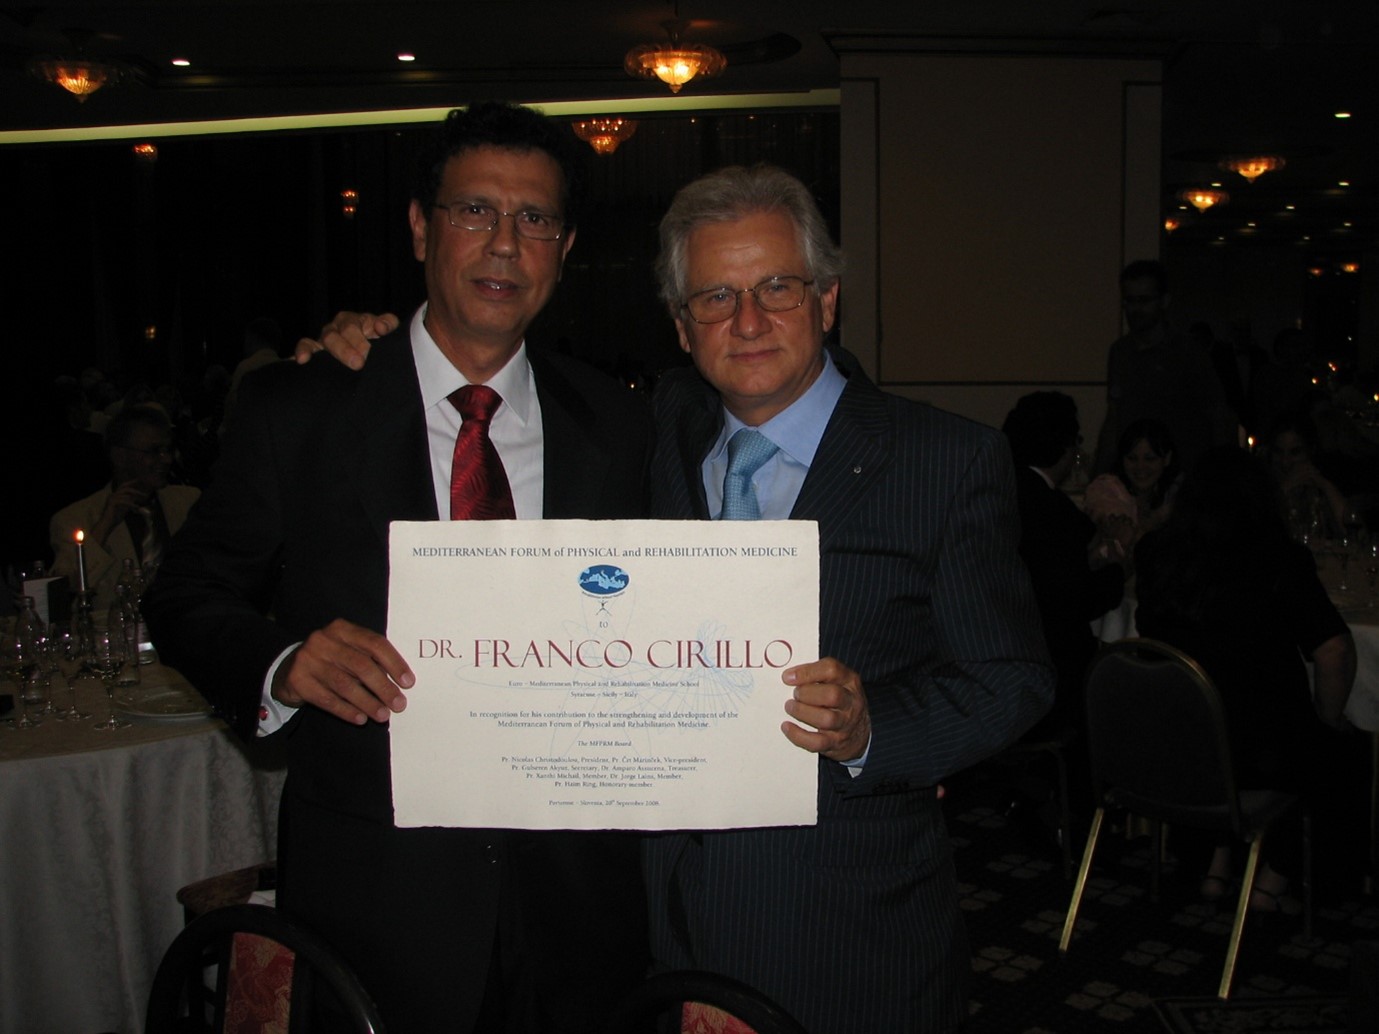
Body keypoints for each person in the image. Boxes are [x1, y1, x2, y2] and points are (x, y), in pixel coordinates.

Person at [302, 164, 1054, 1032]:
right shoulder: (646, 435)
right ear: (681, 326)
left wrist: (871, 730)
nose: (747, 321)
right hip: (644, 927)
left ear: (826, 300)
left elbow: (1011, 678)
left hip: (842, 927)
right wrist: (369, 349)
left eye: (777, 287)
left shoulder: (943, 461)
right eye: (714, 297)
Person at [144, 102, 651, 1034]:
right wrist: (283, 662)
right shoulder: (301, 406)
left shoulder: (620, 424)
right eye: (474, 211)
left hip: (579, 904)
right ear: (421, 227)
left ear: (565, 247)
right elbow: (185, 592)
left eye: (535, 219)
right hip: (377, 901)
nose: (505, 244)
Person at [1134, 446, 1356, 909]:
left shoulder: (1158, 555)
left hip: (1176, 741)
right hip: (1259, 749)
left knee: (1237, 721)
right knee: (1338, 748)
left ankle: (1216, 865)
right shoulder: (1277, 559)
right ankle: (1272, 879)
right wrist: (1327, 720)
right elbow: (1333, 649)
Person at [1002, 391, 1127, 738]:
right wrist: (1119, 568)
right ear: (1066, 448)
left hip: (1007, 663)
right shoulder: (1050, 508)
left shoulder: (1001, 491)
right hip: (1052, 672)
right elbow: (1077, 600)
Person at [1092, 259, 1234, 477]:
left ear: (1164, 301)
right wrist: (1099, 475)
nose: (1136, 309)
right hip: (1135, 474)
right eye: (1130, 301)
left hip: (1182, 473)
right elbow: (1114, 418)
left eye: (1144, 300)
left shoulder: (1188, 351)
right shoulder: (1120, 351)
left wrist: (1221, 473)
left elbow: (1219, 415)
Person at [49, 403, 199, 609]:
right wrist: (104, 526)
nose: (166, 459)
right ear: (119, 456)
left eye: (167, 450)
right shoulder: (76, 518)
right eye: (154, 451)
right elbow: (63, 593)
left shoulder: (187, 502)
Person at [1266, 410, 1348, 541]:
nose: (1285, 462)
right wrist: (1285, 488)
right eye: (1278, 452)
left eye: (1295, 452)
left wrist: (1326, 486)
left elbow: (1356, 535)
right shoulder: (1260, 485)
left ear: (1310, 451)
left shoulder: (1318, 489)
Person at [1113, 416, 1180, 539]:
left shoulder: (1176, 495)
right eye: (1132, 458)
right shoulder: (1107, 492)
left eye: (1149, 459)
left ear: (1167, 458)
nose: (1140, 467)